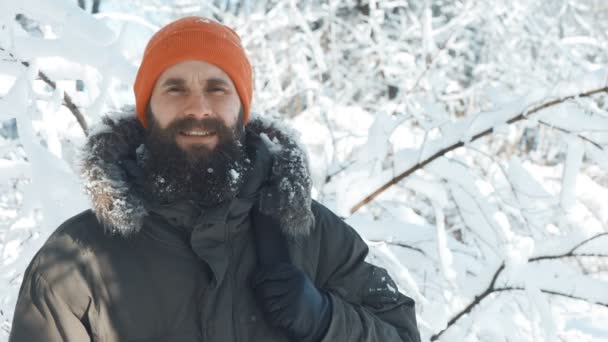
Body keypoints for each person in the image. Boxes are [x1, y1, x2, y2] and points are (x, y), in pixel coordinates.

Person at [9, 16, 421, 342]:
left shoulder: (314, 236)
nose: (199, 108)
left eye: (216, 88)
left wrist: (326, 321)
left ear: (242, 108)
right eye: (174, 89)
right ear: (146, 110)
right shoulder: (77, 259)